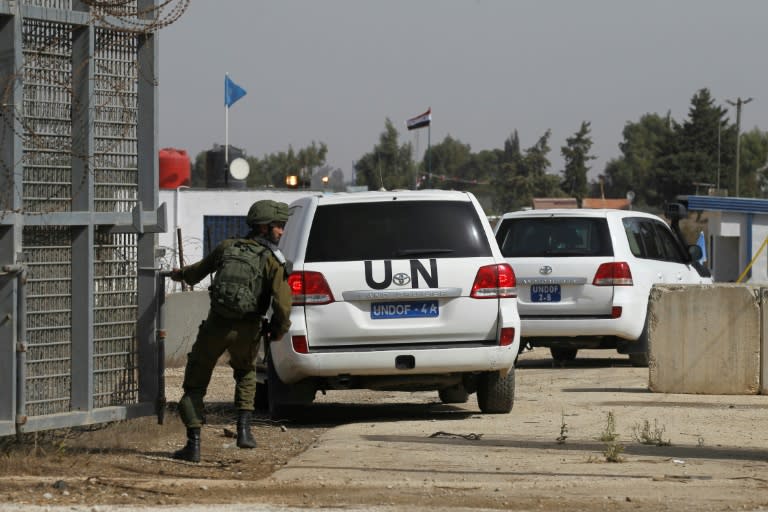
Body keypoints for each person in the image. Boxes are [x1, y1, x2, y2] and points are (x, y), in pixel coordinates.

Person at [169, 199, 293, 463]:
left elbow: (194, 275)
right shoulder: (273, 261)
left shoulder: (227, 248)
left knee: (195, 379)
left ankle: (193, 445)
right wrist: (279, 330)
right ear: (264, 227)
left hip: (216, 325)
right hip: (248, 330)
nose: (281, 232)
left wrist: (178, 275)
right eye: (278, 226)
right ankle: (244, 432)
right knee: (246, 373)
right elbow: (283, 304)